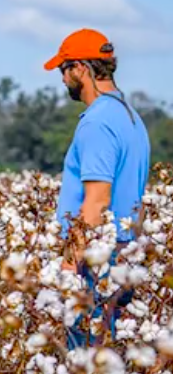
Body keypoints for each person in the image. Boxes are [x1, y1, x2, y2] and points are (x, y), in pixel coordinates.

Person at [45, 28, 150, 350]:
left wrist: (70, 261)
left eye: (64, 70)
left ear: (80, 68)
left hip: (95, 262)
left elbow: (97, 200)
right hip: (123, 254)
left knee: (86, 363)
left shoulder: (97, 122)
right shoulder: (129, 117)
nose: (63, 80)